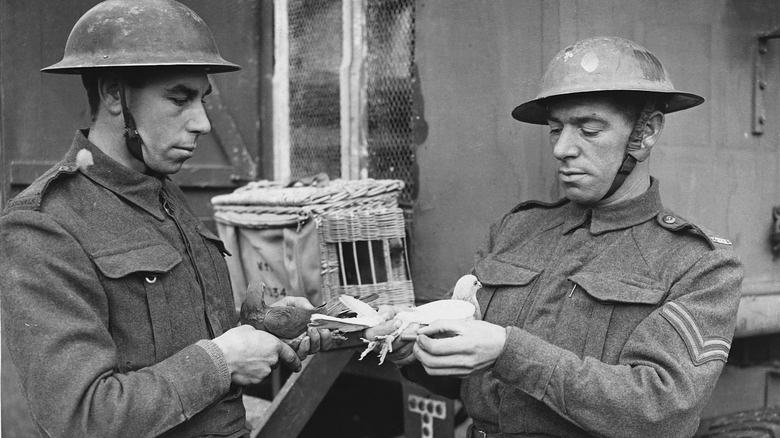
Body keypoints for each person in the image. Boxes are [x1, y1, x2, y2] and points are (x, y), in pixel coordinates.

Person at [365, 36, 744, 438]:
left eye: (589, 129)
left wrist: (508, 352)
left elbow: (659, 409)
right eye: (555, 129)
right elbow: (470, 380)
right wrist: (415, 355)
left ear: (645, 132)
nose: (563, 148)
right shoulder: (516, 231)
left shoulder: (700, 265)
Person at [0, 1, 332, 437]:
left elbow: (166, 339)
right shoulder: (44, 225)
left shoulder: (161, 191)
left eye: (203, 100)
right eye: (180, 98)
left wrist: (261, 331)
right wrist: (223, 359)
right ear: (114, 94)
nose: (202, 123)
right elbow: (81, 417)